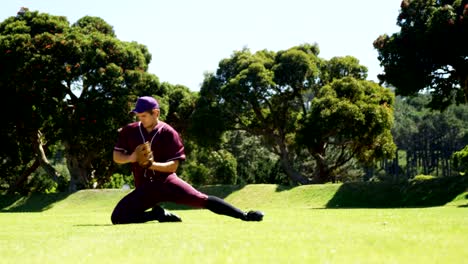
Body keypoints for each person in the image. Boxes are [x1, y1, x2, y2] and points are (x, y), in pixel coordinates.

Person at [111, 96, 264, 224]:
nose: (140, 119)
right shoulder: (130, 131)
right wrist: (132, 157)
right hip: (145, 188)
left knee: (201, 199)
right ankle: (157, 215)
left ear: (156, 113)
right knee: (117, 217)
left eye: (144, 115)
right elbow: (117, 157)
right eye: (138, 115)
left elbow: (172, 167)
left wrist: (151, 164)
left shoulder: (169, 133)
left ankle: (245, 215)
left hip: (167, 183)